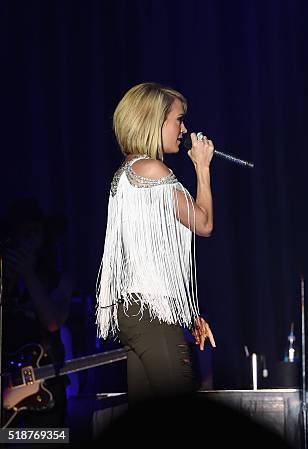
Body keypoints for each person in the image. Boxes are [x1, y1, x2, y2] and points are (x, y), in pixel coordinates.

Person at [96, 82, 216, 405]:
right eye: (178, 120)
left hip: (137, 310)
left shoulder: (127, 173)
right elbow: (203, 223)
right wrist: (202, 168)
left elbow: (154, 257)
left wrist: (187, 313)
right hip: (151, 315)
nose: (184, 129)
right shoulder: (151, 169)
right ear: (155, 121)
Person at [1, 197, 73, 427]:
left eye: (35, 233)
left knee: (44, 440)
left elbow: (53, 321)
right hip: (7, 386)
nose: (29, 241)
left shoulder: (58, 278)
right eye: (23, 234)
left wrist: (28, 274)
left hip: (45, 388)